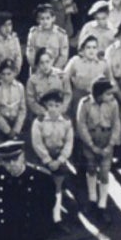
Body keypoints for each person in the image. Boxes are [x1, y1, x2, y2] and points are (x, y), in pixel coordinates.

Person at [76, 77, 121, 224]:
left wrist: (110, 145)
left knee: (105, 172)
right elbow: (81, 125)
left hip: (107, 139)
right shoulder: (85, 104)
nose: (111, 96)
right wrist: (91, 145)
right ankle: (92, 199)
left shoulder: (113, 104)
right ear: (99, 94)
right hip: (91, 139)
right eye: (108, 94)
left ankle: (102, 205)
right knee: (90, 168)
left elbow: (116, 124)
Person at [30, 89, 74, 227]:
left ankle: (57, 219)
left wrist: (60, 160)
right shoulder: (39, 122)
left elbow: (69, 143)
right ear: (45, 106)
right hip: (43, 158)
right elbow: (37, 143)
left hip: (59, 158)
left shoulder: (66, 122)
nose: (53, 109)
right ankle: (43, 218)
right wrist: (48, 161)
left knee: (57, 187)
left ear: (61, 106)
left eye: (56, 105)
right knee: (43, 187)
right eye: (50, 105)